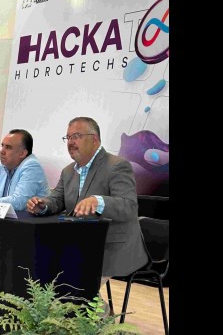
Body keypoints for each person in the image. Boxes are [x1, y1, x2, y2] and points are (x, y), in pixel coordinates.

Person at [26, 116, 147, 281]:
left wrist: (98, 202)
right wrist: (43, 205)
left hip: (111, 248)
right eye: (68, 138)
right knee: (43, 271)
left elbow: (129, 207)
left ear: (94, 139)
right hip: (78, 246)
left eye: (76, 136)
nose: (70, 142)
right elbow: (57, 199)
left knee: (73, 286)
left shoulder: (117, 165)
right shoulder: (68, 171)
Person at [0, 129, 49, 212]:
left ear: (22, 153)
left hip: (26, 218)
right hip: (3, 216)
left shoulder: (32, 166)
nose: (2, 151)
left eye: (8, 147)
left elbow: (18, 203)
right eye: (2, 146)